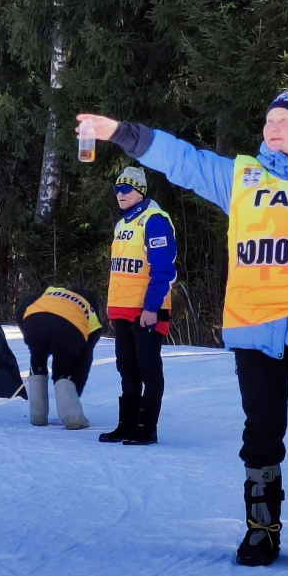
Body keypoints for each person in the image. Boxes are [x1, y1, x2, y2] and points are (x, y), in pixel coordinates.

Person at [77, 73, 288, 566]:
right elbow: (185, 162)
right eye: (269, 119)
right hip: (255, 329)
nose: (272, 127)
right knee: (261, 431)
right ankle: (262, 528)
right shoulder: (244, 177)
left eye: (284, 120)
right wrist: (124, 132)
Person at [97, 166, 177, 446]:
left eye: (126, 189)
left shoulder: (154, 220)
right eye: (117, 188)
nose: (120, 194)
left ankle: (146, 428)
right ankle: (126, 425)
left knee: (148, 367)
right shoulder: (122, 224)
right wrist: (112, 308)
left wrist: (151, 307)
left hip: (147, 311)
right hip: (122, 310)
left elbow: (163, 270)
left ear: (140, 191)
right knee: (127, 368)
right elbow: (119, 271)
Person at [16, 286, 103, 430]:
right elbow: (84, 361)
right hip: (69, 331)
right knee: (63, 371)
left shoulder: (49, 291)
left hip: (34, 322)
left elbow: (22, 309)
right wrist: (75, 392)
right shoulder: (92, 315)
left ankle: (37, 415)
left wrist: (29, 336)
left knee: (37, 362)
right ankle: (72, 416)